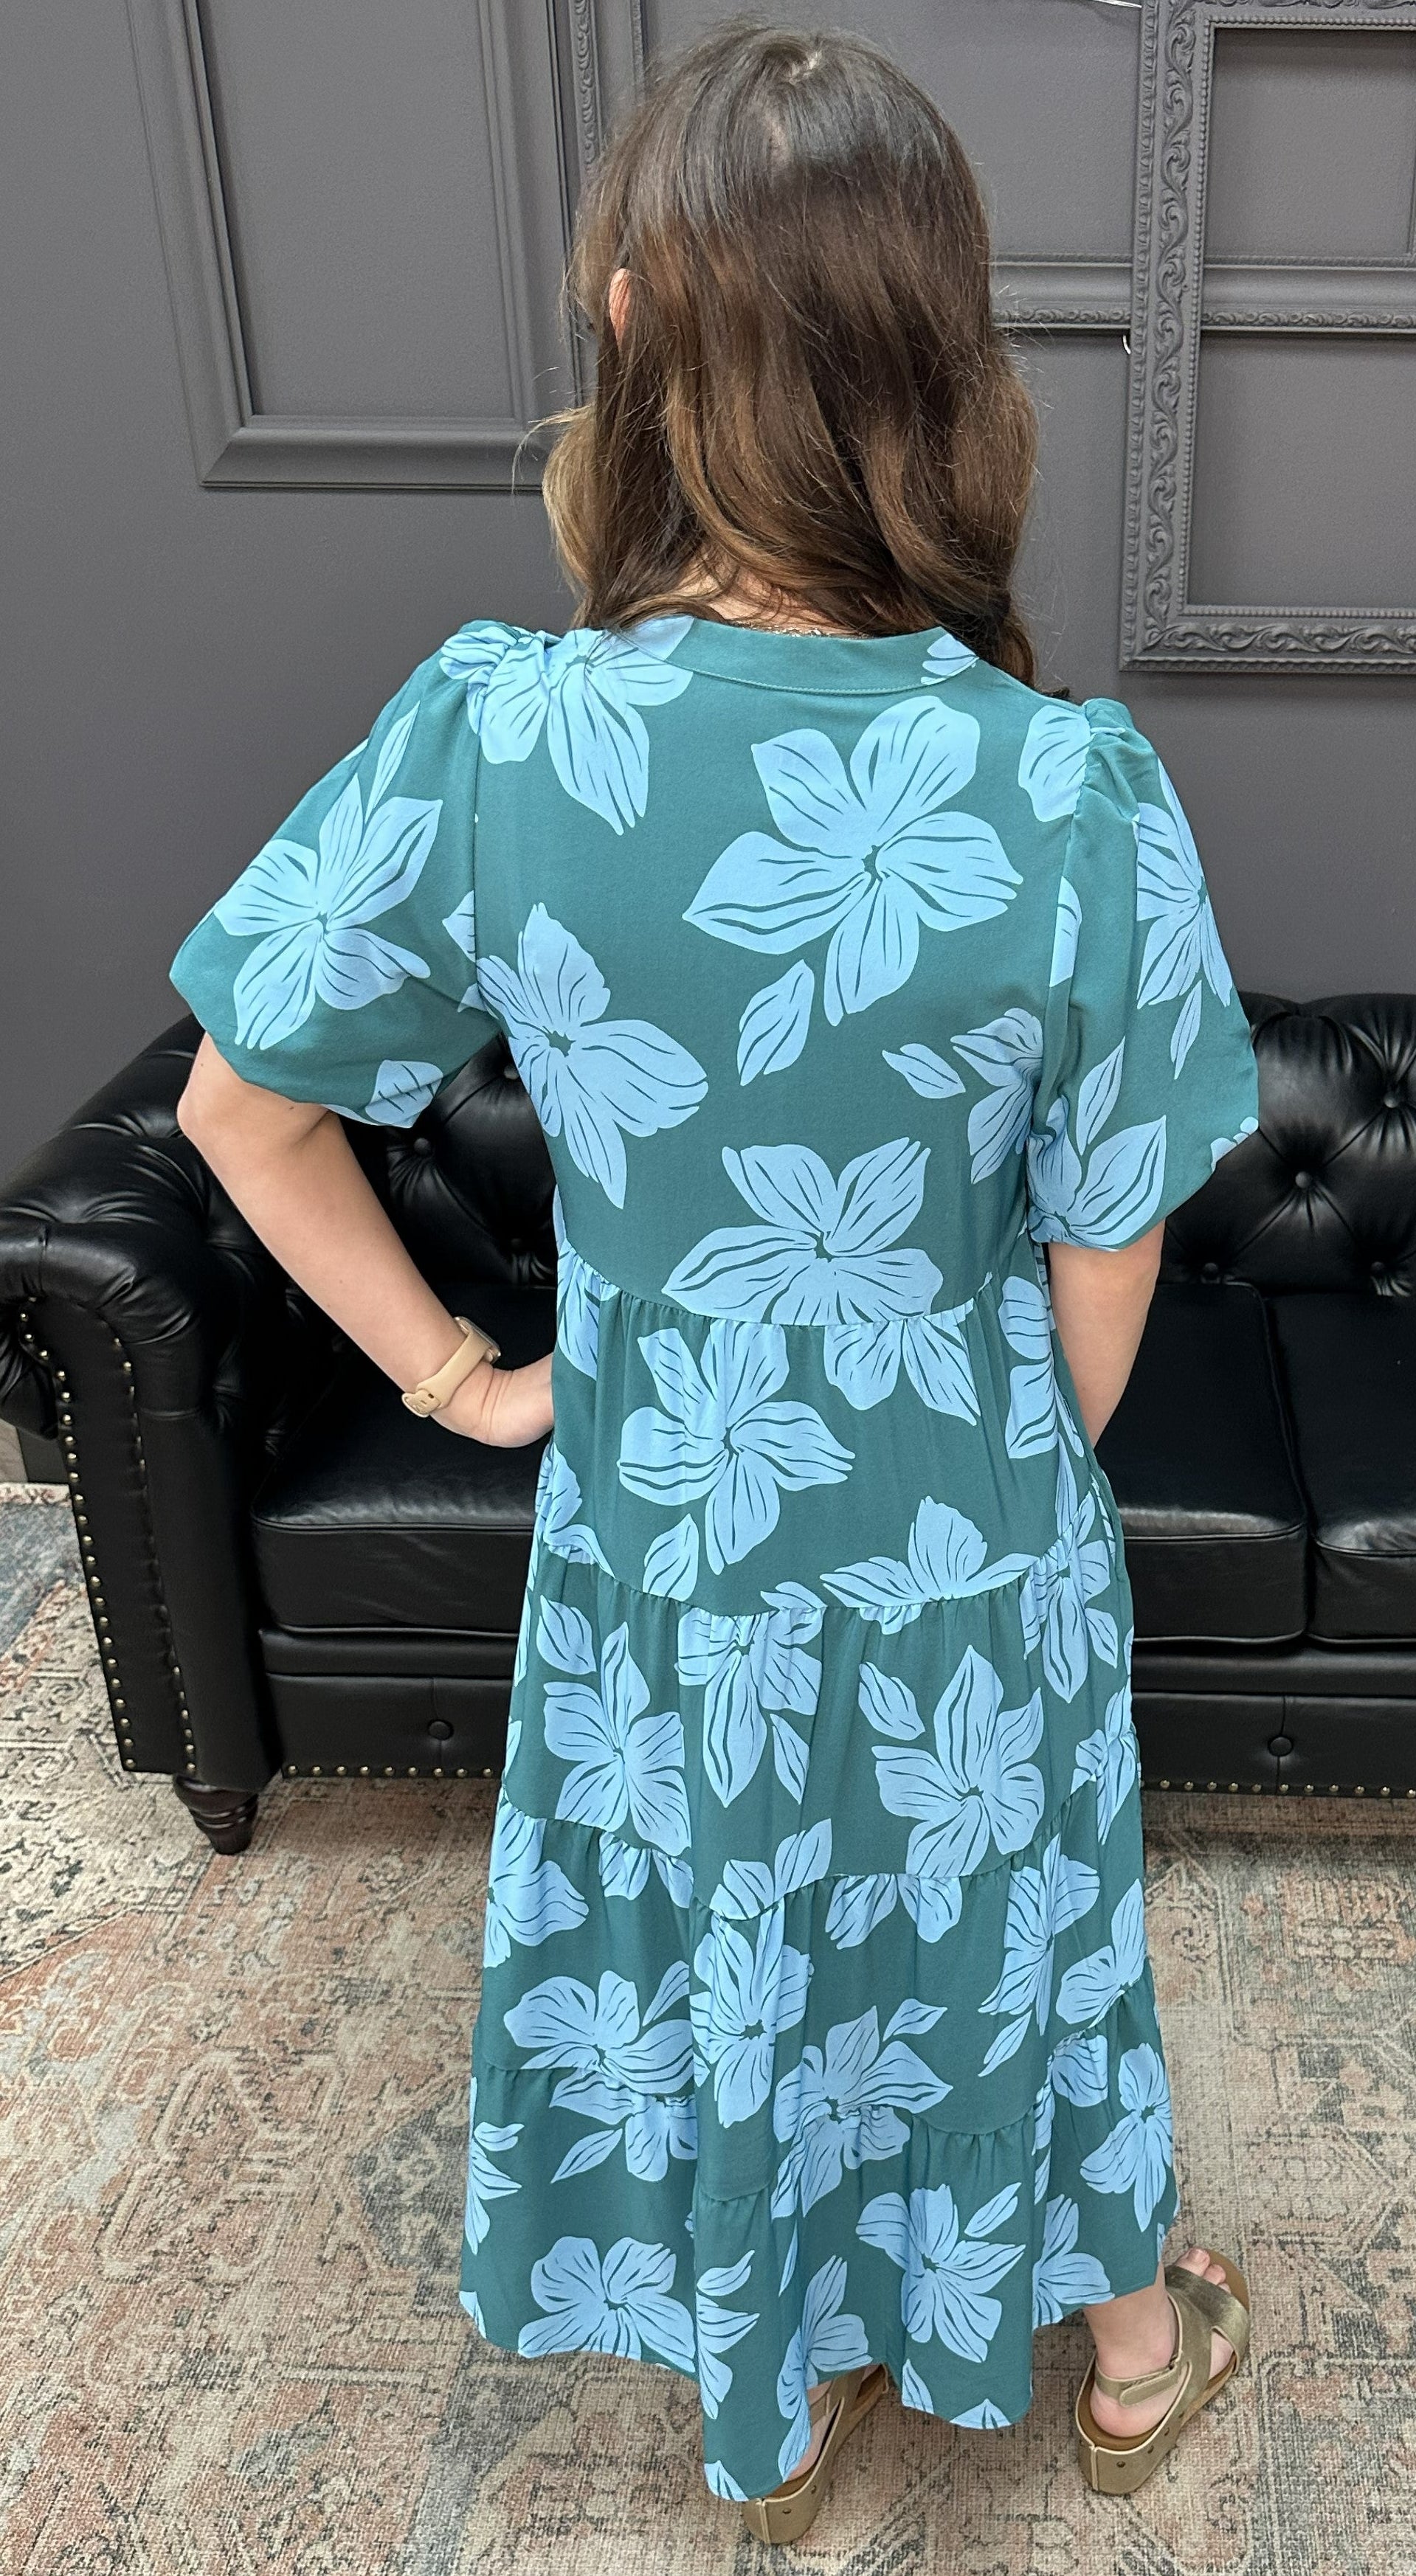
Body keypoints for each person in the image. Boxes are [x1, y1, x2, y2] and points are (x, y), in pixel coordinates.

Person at [167, 20, 1260, 2541]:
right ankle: (1116, 2350)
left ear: (642, 318)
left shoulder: (507, 739)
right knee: (1003, 1934)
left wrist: (465, 1373)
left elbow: (245, 1101)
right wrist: (983, 1449)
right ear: (945, 361)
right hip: (963, 1515)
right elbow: (1107, 1271)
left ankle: (774, 2396)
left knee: (734, 1932)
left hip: (668, 1515)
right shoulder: (1071, 792)